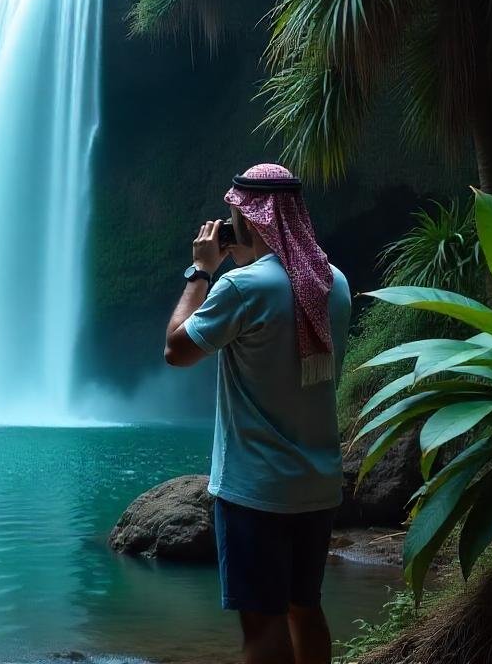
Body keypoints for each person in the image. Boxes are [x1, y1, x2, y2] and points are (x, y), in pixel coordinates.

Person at [163, 163, 350, 664]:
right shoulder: (333, 282)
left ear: (249, 219)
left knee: (262, 627)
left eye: (234, 214)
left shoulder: (241, 288)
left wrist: (202, 271)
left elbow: (176, 350)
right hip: (317, 486)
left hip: (256, 490)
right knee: (304, 610)